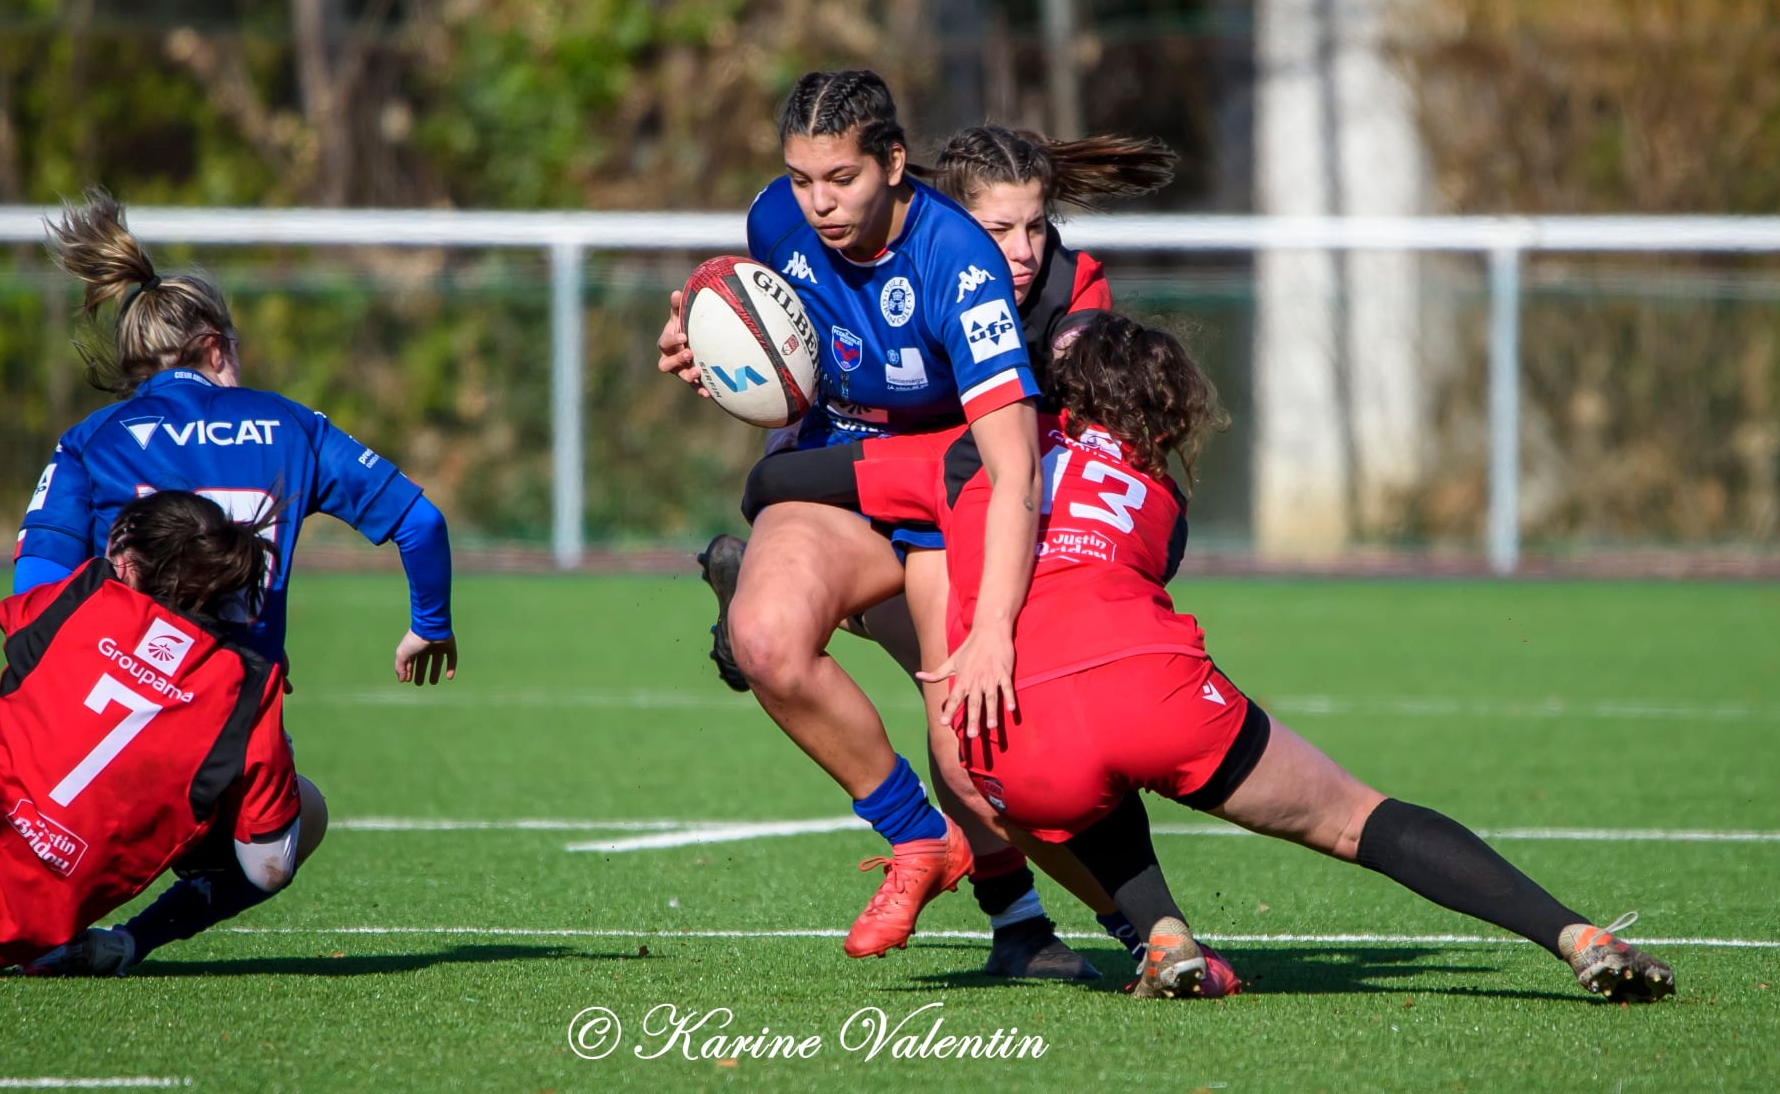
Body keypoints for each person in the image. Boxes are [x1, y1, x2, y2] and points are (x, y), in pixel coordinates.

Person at [740, 311, 1674, 1003]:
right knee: (1356, 817)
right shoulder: (1164, 502)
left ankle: (1164, 934)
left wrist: (786, 437)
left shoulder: (968, 454)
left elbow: (784, 479)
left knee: (1076, 775)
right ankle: (1574, 934)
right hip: (1156, 688)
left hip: (1011, 736)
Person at [698, 123, 1191, 979]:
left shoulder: (1072, 290)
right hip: (884, 497)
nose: (1024, 251)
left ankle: (1058, 929)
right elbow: (768, 311)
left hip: (972, 510)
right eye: (1000, 230)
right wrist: (708, 339)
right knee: (969, 728)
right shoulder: (864, 242)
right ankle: (1131, 931)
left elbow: (1030, 446)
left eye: (1035, 226)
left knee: (979, 737)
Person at [9, 190, 458, 975]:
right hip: (226, 741)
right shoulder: (289, 425)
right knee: (291, 833)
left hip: (93, 746)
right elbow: (421, 522)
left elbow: (33, 604)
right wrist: (430, 622)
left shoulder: (89, 440)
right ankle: (132, 941)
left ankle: (47, 911)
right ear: (215, 347)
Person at [657, 72, 1045, 960]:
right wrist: (705, 344)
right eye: (802, 178)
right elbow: (762, 330)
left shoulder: (960, 264)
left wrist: (995, 627)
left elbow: (1013, 467)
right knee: (763, 640)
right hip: (836, 480)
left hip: (942, 497)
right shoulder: (776, 220)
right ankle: (918, 837)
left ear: (894, 163)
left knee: (973, 747)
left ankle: (1111, 928)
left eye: (841, 178)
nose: (819, 202)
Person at [0, 491, 301, 981]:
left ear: (128, 563)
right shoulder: (251, 688)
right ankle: (124, 944)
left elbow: (20, 647)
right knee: (304, 811)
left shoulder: (91, 595)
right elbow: (269, 866)